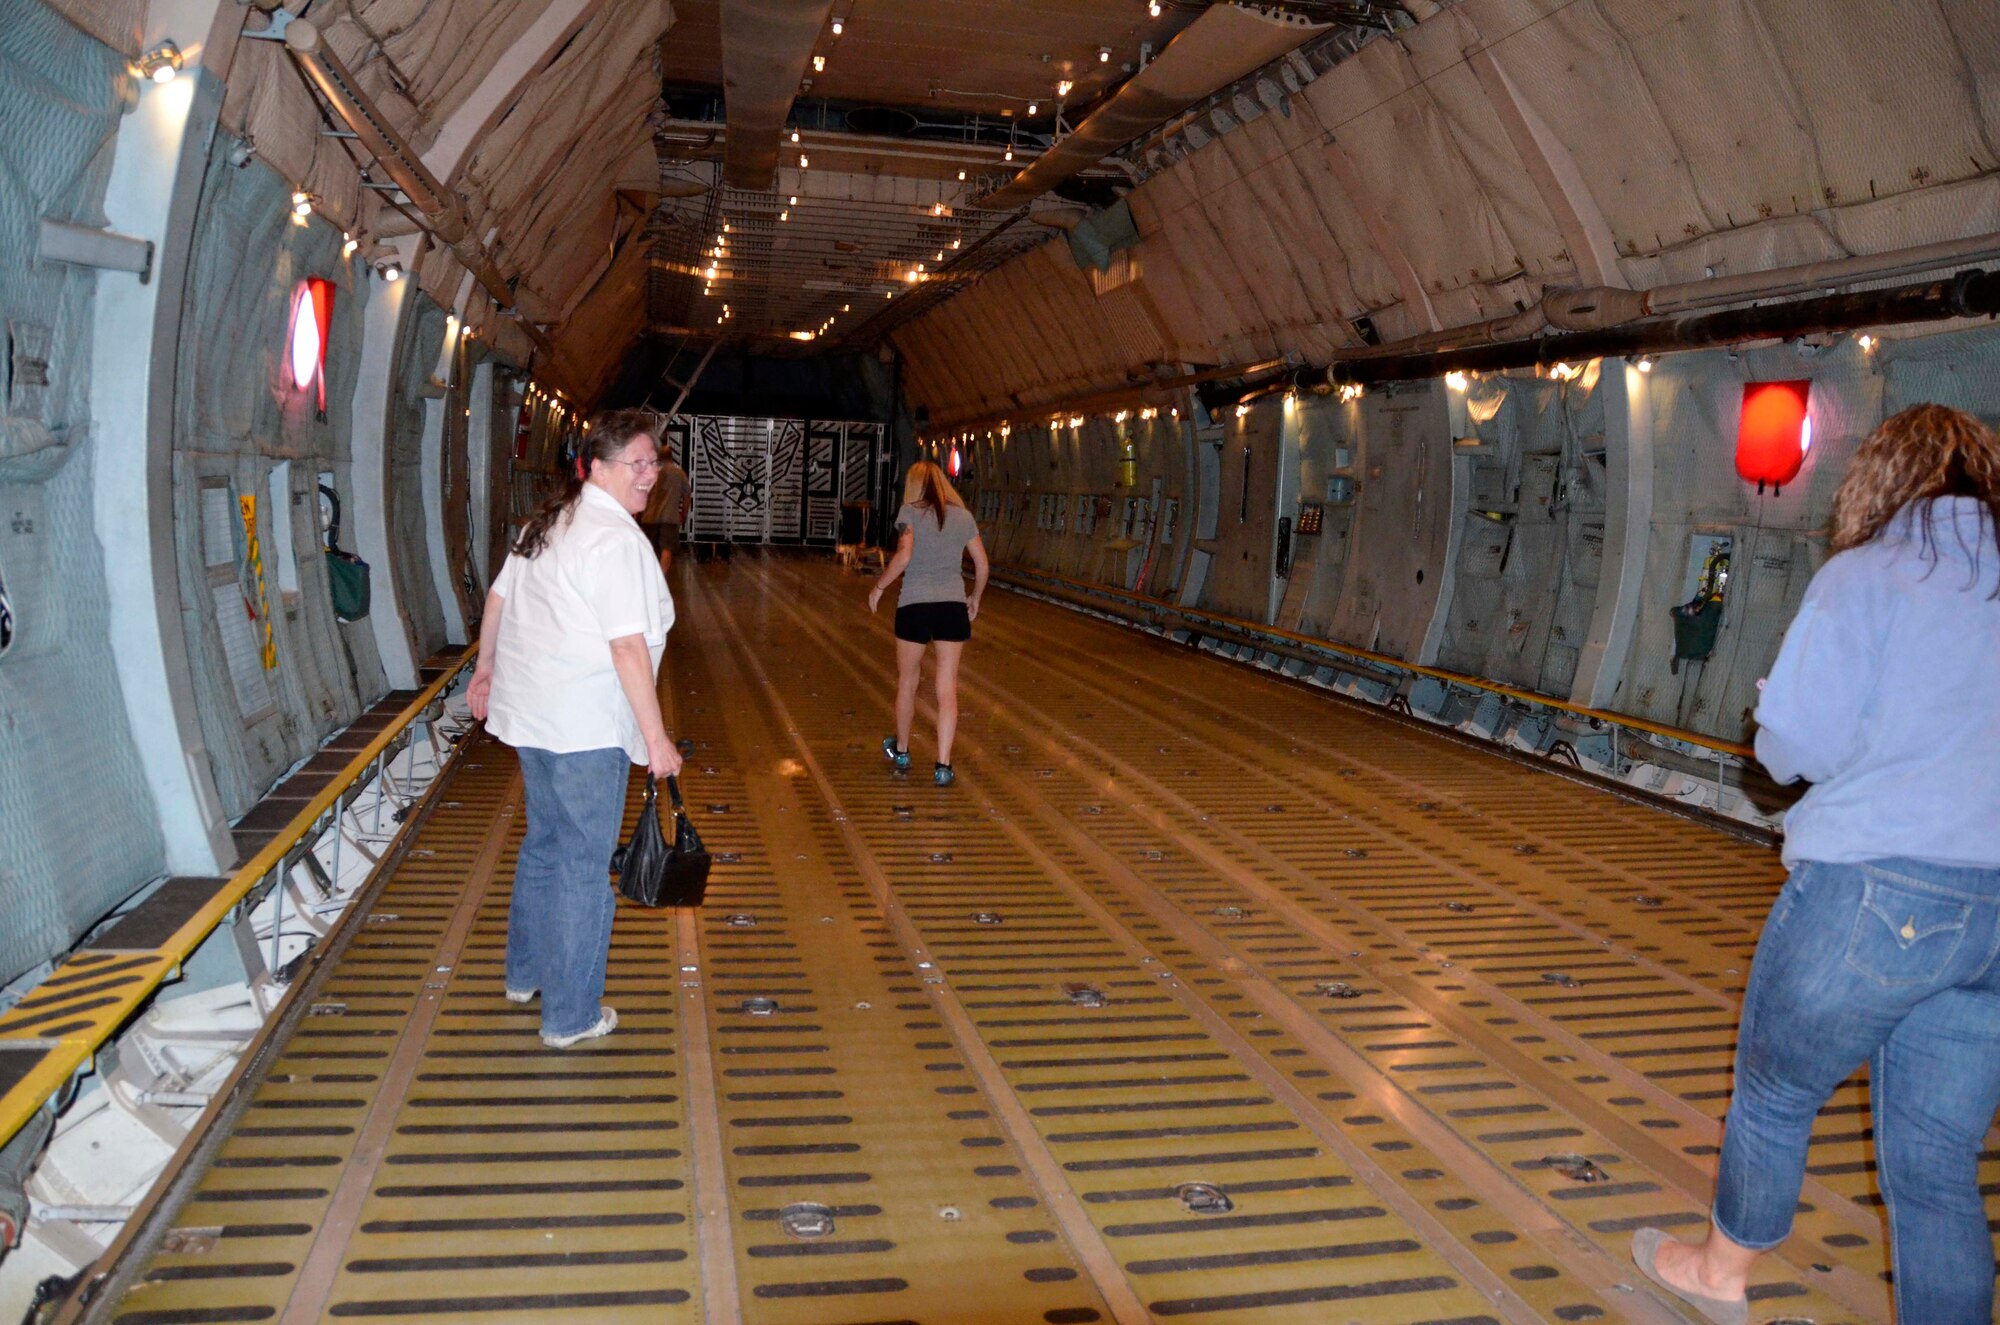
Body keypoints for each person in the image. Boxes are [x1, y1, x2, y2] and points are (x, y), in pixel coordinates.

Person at [1632, 403, 2000, 1325]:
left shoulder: (1865, 576)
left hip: (1877, 889)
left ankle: (1719, 1275)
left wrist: (1777, 705)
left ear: (1882, 480)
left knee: (1774, 1090)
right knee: (1936, 1167)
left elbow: (1793, 747)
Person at [466, 410, 682, 1049]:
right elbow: (627, 649)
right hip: (584, 725)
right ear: (598, 467)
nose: (650, 475)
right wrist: (657, 739)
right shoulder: (614, 540)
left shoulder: (549, 522)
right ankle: (571, 1016)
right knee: (584, 868)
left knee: (545, 844)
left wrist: (486, 672)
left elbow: (500, 598)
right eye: (636, 464)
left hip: (533, 716)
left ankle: (524, 974)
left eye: (653, 463)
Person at [867, 460, 988, 786]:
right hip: (951, 606)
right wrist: (974, 596)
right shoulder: (963, 517)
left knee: (908, 680)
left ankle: (903, 750)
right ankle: (943, 765)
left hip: (915, 605)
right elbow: (981, 562)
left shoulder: (908, 512)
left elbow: (904, 555)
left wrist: (880, 586)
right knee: (946, 686)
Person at [641, 442, 690, 574]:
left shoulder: (651, 472)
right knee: (667, 549)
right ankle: (660, 578)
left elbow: (641, 493)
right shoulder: (679, 474)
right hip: (670, 517)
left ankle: (648, 576)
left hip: (649, 517)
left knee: (649, 549)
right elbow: (687, 495)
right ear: (671, 457)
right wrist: (684, 513)